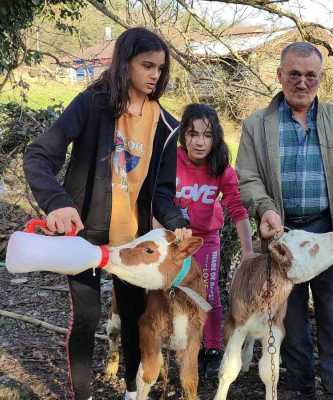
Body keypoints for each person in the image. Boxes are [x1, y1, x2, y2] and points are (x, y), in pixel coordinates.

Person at [23, 28, 191, 400]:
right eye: (147, 65)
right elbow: (38, 154)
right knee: (85, 318)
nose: (155, 75)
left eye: (161, 69)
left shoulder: (166, 125)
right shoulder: (92, 104)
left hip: (133, 243)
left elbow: (161, 193)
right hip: (84, 238)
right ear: (124, 63)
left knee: (134, 319)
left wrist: (177, 221)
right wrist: (58, 203)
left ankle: (134, 391)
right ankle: (80, 394)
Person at [236, 42, 333, 400]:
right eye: (294, 74)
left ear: (321, 78)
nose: (302, 82)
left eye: (310, 76)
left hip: (330, 233)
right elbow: (247, 178)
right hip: (283, 237)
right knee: (288, 319)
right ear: (279, 76)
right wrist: (265, 208)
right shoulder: (256, 125)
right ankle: (299, 388)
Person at [174, 103, 253, 377]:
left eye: (207, 135)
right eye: (193, 134)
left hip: (207, 240)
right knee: (174, 293)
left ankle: (213, 348)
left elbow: (237, 209)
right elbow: (154, 200)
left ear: (215, 137)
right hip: (174, 240)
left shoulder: (221, 169)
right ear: (183, 135)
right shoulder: (169, 162)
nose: (199, 141)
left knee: (207, 294)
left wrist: (248, 250)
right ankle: (180, 347)